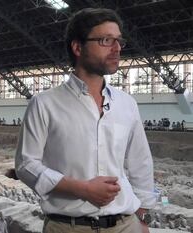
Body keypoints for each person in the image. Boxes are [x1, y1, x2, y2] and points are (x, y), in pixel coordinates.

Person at [15, 8, 156, 233]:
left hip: (125, 225)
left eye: (118, 41)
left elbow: (140, 161)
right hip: (68, 226)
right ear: (78, 47)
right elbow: (25, 165)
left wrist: (143, 215)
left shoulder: (126, 103)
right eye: (105, 40)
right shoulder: (44, 103)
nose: (117, 48)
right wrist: (82, 189)